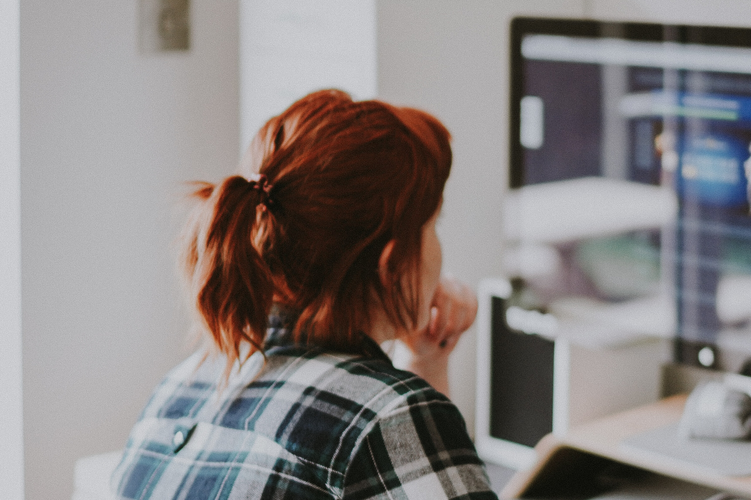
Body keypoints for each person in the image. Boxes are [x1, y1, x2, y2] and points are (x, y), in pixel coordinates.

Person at [110, 89, 497, 499]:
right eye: (434, 224)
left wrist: (426, 358)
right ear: (393, 263)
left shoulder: (177, 390)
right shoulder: (387, 417)